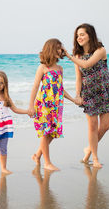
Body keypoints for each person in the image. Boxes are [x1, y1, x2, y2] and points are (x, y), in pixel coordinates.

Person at [63, 23, 109, 168]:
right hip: (89, 93)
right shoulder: (77, 56)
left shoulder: (100, 50)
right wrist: (78, 95)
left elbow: (87, 65)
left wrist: (68, 55)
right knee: (92, 127)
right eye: (77, 35)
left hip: (105, 90)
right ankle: (95, 158)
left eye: (82, 34)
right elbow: (78, 77)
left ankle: (88, 150)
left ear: (90, 35)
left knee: (105, 126)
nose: (79, 37)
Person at [28, 38, 79, 171]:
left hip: (56, 106)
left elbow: (60, 89)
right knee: (46, 133)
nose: (60, 50)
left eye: (60, 48)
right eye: (57, 48)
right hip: (44, 105)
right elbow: (35, 87)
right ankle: (47, 163)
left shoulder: (60, 68)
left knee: (52, 133)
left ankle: (37, 155)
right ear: (50, 49)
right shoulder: (43, 67)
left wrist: (73, 99)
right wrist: (30, 106)